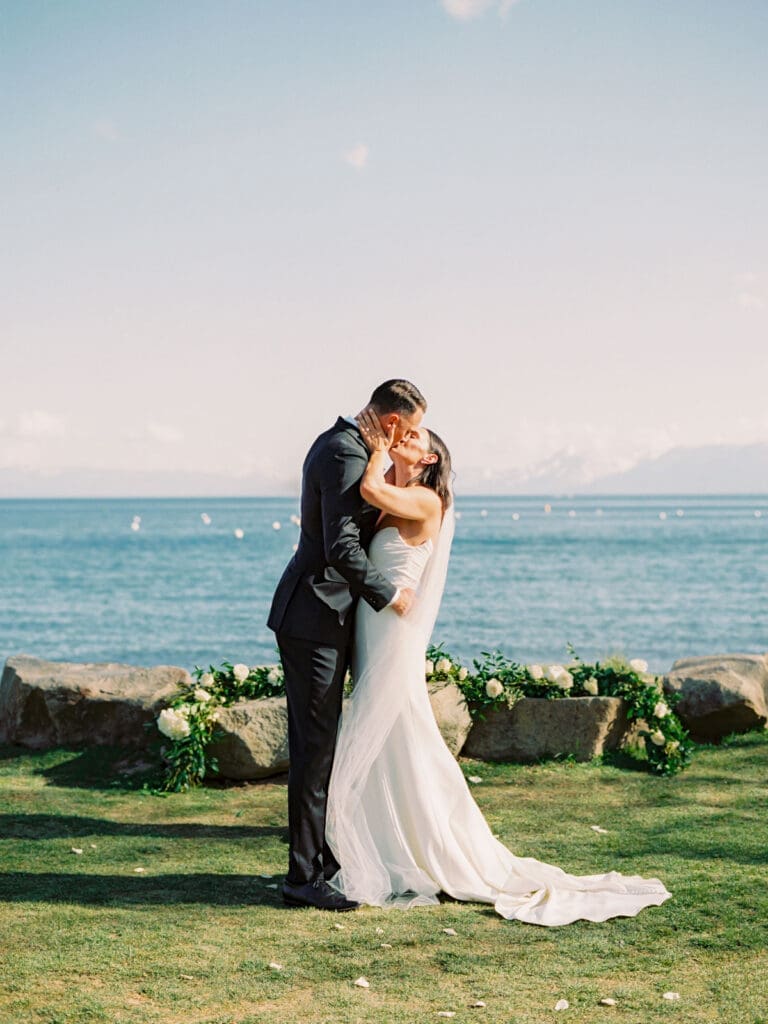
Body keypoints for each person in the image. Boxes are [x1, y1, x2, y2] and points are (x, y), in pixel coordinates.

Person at [324, 412, 672, 926]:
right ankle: (389, 842)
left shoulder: (425, 500)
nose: (403, 438)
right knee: (387, 732)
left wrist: (375, 446)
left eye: (413, 437)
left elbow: (372, 489)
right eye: (402, 432)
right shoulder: (401, 497)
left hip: (394, 633)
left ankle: (432, 845)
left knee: (403, 731)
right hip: (374, 629)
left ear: (430, 459)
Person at [267, 379, 428, 911]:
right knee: (314, 750)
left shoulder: (357, 450)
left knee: (327, 745)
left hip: (328, 617)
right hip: (313, 617)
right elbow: (339, 545)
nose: (409, 439)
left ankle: (326, 858)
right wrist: (390, 596)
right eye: (406, 430)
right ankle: (302, 877)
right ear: (390, 423)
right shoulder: (342, 451)